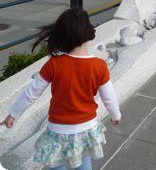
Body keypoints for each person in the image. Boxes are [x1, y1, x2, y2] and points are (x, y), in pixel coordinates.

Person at [0, 9, 121, 170]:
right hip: (86, 128)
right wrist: (115, 115)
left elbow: (31, 94)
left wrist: (13, 114)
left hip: (58, 131)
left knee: (57, 165)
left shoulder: (54, 64)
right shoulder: (99, 66)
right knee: (84, 163)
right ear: (89, 33)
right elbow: (109, 97)